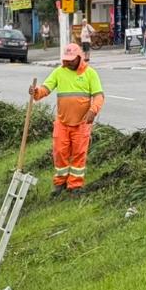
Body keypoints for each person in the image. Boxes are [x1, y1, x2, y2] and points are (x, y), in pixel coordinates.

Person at [30, 43, 104, 195]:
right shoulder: (59, 72)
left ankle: (75, 185)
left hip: (82, 123)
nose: (68, 62)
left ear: (79, 58)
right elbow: (46, 88)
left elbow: (99, 96)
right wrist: (36, 92)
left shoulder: (90, 74)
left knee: (79, 153)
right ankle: (60, 184)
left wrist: (93, 110)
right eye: (66, 59)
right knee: (60, 152)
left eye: (72, 59)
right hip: (62, 122)